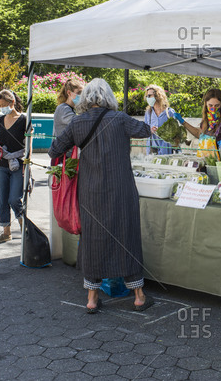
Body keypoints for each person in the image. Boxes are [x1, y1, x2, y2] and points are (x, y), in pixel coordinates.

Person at [48, 78, 156, 314]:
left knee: (93, 238)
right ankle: (138, 296)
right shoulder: (121, 119)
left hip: (91, 191)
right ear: (109, 97)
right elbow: (146, 131)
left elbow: (54, 150)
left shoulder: (77, 123)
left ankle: (92, 299)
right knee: (126, 236)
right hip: (122, 190)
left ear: (85, 97)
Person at [0, 90, 27, 243]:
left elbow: (28, 145)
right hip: (2, 165)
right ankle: (6, 232)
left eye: (4, 105)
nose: (2, 108)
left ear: (12, 103)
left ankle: (24, 226)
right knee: (1, 200)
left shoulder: (24, 120)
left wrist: (27, 162)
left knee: (14, 199)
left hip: (18, 164)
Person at [51, 78, 84, 165]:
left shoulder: (69, 109)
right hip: (63, 156)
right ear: (69, 93)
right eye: (79, 93)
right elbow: (78, 124)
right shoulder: (63, 109)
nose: (82, 96)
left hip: (66, 155)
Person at [144, 84, 175, 155]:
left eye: (149, 96)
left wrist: (163, 131)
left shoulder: (169, 112)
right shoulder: (148, 113)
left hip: (166, 151)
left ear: (158, 96)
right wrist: (150, 130)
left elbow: (175, 132)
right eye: (147, 96)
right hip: (152, 151)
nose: (148, 98)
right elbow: (145, 130)